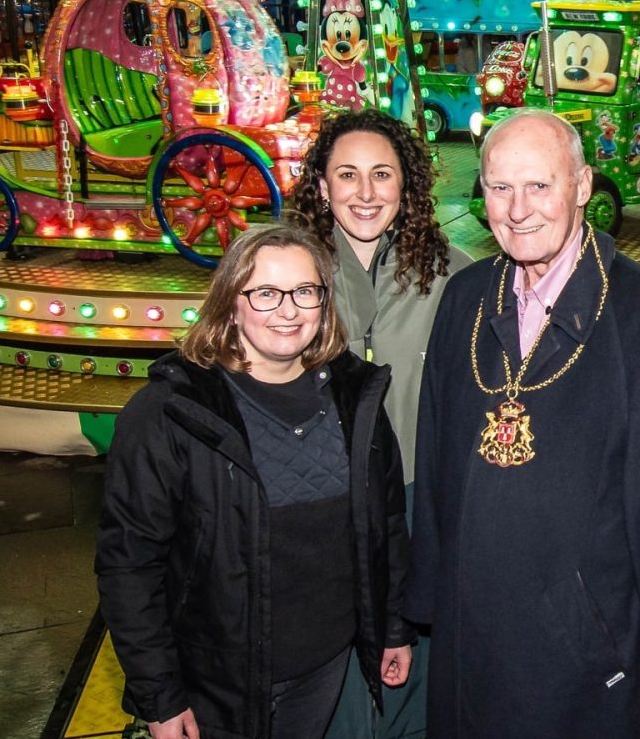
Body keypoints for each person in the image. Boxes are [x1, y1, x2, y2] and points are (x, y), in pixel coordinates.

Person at [405, 109, 640, 736]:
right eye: (499, 187)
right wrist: (424, 602)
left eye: (540, 185)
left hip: (589, 647)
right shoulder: (465, 297)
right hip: (476, 627)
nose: (518, 208)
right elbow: (436, 461)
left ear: (582, 187)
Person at [96, 225, 413, 739]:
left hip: (323, 665)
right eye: (265, 293)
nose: (288, 310)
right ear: (230, 302)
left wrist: (392, 627)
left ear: (323, 301)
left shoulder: (358, 399)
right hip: (216, 681)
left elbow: (387, 525)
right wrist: (160, 697)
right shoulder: (170, 411)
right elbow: (128, 566)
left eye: (304, 292)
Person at [289, 109, 471, 739]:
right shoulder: (286, 271)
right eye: (347, 175)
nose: (365, 194)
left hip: (418, 493)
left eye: (381, 175)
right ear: (321, 186)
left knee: (413, 644)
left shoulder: (456, 275)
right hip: (319, 496)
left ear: (407, 187)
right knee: (328, 649)